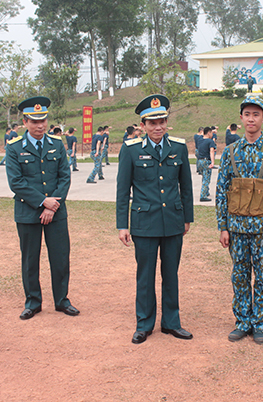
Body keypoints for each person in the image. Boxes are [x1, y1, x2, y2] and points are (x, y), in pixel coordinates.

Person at [116, 94, 194, 345]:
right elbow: (122, 190)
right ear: (142, 125)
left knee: (171, 273)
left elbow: (187, 186)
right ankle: (144, 324)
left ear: (166, 122)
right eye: (152, 123)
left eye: (161, 121)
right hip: (144, 223)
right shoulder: (131, 150)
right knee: (145, 275)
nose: (157, 127)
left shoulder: (179, 147)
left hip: (172, 220)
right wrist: (122, 225)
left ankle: (172, 323)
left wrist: (187, 218)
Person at [216, 96, 263, 345]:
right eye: (247, 114)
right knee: (240, 275)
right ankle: (242, 321)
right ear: (241, 118)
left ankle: (259, 323)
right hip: (236, 229)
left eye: (256, 114)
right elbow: (221, 190)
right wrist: (223, 226)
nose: (251, 119)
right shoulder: (231, 152)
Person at [5, 96, 79, 321]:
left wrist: (52, 205)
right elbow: (16, 182)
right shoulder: (15, 147)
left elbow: (64, 177)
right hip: (28, 213)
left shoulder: (56, 144)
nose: (40, 126)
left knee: (60, 257)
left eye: (43, 120)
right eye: (35, 121)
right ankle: (33, 301)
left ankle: (62, 300)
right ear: (25, 122)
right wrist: (42, 202)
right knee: (30, 259)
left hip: (56, 212)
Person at [197, 127, 216, 202]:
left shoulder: (200, 140)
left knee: (204, 177)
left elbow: (202, 134)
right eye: (211, 133)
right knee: (206, 179)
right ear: (209, 133)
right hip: (206, 161)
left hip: (199, 161)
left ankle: (206, 191)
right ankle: (203, 195)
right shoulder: (210, 141)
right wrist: (212, 162)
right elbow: (212, 151)